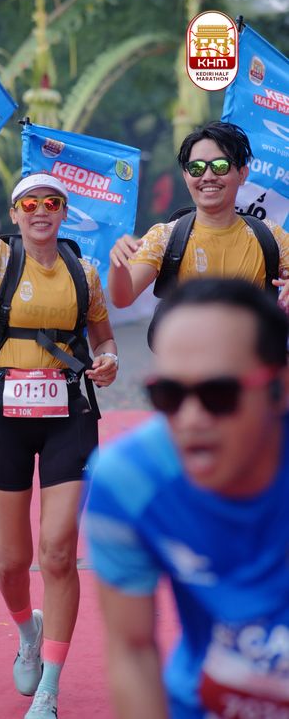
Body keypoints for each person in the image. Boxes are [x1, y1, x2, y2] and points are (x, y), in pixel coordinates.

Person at [0, 68, 118, 719]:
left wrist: (108, 360)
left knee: (58, 551)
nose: (40, 212)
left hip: (69, 415)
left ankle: (50, 687)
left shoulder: (84, 271)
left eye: (51, 204)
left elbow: (102, 337)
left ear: (64, 214)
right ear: (15, 215)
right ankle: (26, 632)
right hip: (4, 416)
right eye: (29, 204)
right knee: (11, 562)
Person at [85, 277, 289, 719]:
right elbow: (132, 649)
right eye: (169, 396)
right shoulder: (128, 480)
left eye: (219, 394)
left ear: (280, 388)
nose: (192, 418)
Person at [108, 121, 289, 312]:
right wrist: (118, 265)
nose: (208, 176)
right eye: (197, 168)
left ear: (242, 174)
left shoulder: (271, 237)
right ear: (186, 176)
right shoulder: (164, 237)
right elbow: (123, 298)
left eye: (220, 166)